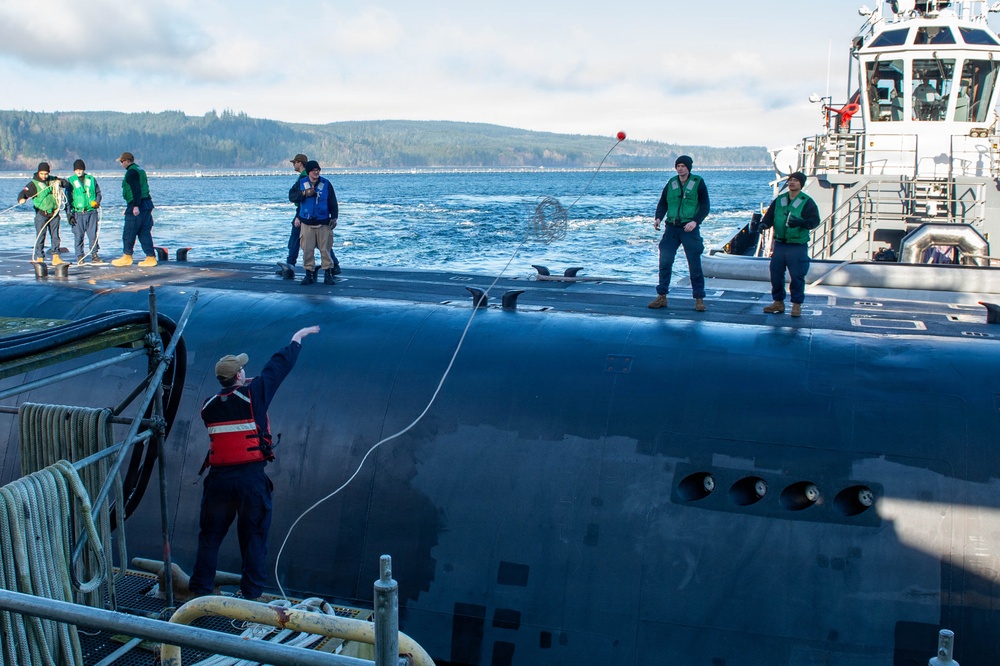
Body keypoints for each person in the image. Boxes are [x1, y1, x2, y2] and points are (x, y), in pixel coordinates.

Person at [188, 325, 321, 601]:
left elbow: (230, 402)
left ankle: (199, 593)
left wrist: (241, 385)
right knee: (254, 538)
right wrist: (296, 339)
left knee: (210, 537)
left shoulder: (207, 406)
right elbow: (277, 369)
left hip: (219, 482)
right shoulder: (255, 394)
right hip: (250, 482)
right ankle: (250, 596)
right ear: (239, 375)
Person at [648, 155, 710, 312]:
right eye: (678, 166)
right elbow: (663, 202)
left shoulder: (698, 183)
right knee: (665, 261)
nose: (680, 168)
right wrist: (658, 218)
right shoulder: (671, 183)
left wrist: (695, 221)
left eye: (683, 166)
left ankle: (699, 299)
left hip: (689, 229)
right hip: (672, 228)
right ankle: (662, 296)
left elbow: (705, 207)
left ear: (688, 168)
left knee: (694, 264)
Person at [758, 171, 821, 318]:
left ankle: (796, 305)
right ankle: (778, 302)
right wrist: (763, 225)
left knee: (797, 275)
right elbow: (769, 217)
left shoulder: (807, 202)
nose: (792, 182)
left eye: (796, 180)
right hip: (780, 244)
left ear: (801, 184)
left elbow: (814, 221)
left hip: (797, 245)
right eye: (790, 180)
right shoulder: (780, 200)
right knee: (776, 274)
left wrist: (801, 223)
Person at [289, 161, 339, 285]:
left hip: (323, 222)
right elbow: (292, 197)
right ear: (309, 172)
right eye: (313, 170)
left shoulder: (326, 184)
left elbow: (333, 201)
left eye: (318, 170)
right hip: (306, 223)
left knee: (325, 249)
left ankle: (328, 274)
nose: (316, 172)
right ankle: (308, 274)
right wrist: (304, 194)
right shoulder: (301, 183)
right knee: (307, 250)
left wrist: (334, 217)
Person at [17, 162, 69, 265]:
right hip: (41, 214)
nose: (44, 176)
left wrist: (60, 182)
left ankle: (56, 256)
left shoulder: (53, 179)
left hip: (54, 213)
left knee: (55, 236)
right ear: (38, 173)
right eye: (42, 174)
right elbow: (23, 193)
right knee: (41, 236)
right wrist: (21, 199)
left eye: (46, 174)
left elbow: (66, 183)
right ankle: (40, 257)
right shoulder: (33, 184)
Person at [112, 152, 158, 267]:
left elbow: (136, 189)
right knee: (144, 232)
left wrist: (135, 206)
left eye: (122, 162)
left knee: (129, 231)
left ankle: (127, 256)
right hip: (147, 204)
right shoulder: (140, 170)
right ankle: (151, 257)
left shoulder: (131, 172)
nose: (121, 164)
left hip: (137, 204)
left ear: (127, 161)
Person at [67, 159, 105, 265]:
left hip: (91, 212)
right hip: (78, 213)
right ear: (74, 171)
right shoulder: (70, 181)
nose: (79, 171)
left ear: (84, 169)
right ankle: (80, 256)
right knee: (78, 235)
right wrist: (69, 214)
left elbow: (98, 193)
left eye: (80, 169)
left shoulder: (91, 179)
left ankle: (94, 255)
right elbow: (67, 199)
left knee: (93, 235)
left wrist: (97, 202)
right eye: (77, 170)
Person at [285, 153, 308, 267]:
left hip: (302, 211)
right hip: (303, 211)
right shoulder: (305, 176)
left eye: (294, 162)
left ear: (300, 163)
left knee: (294, 238)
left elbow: (304, 198)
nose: (293, 165)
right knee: (318, 240)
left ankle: (290, 264)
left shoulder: (304, 178)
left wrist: (299, 215)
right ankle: (334, 264)